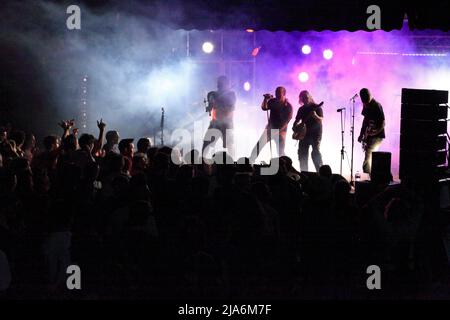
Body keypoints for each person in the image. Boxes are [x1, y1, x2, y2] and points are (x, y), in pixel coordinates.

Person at [249, 87, 293, 163]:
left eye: (279, 94)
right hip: (270, 129)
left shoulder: (288, 106)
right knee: (258, 146)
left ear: (284, 94)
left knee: (280, 152)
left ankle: (286, 166)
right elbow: (264, 108)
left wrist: (276, 131)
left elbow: (286, 122)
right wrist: (266, 99)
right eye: (276, 93)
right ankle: (250, 162)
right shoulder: (273, 101)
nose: (277, 95)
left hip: (281, 132)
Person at [202, 76, 236, 160]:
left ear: (226, 84)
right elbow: (209, 107)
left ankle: (233, 163)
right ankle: (202, 162)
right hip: (215, 123)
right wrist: (211, 104)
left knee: (229, 145)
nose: (219, 84)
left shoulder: (231, 94)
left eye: (221, 83)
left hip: (227, 124)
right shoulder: (212, 94)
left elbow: (231, 107)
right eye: (219, 83)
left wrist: (219, 104)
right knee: (206, 143)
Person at [293, 90, 323, 172]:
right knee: (302, 154)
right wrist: (295, 127)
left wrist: (315, 116)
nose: (305, 99)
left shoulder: (317, 107)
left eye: (306, 97)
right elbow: (296, 121)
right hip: (304, 134)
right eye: (303, 98)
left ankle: (320, 173)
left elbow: (321, 120)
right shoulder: (301, 109)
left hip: (315, 134)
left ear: (309, 97)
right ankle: (304, 173)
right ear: (301, 99)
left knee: (315, 153)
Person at [357, 88, 385, 174]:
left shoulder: (377, 106)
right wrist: (361, 134)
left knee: (368, 157)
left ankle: (369, 177)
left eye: (365, 100)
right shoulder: (366, 105)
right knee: (370, 156)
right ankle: (372, 176)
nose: (365, 103)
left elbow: (383, 123)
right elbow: (365, 121)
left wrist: (374, 133)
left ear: (369, 96)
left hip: (377, 136)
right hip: (369, 136)